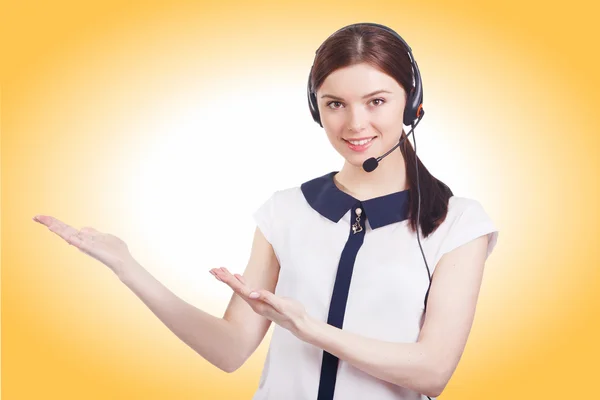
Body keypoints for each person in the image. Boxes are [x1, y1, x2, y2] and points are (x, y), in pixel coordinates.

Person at [33, 23, 499, 400]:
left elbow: (433, 371)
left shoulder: (459, 224)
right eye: (335, 104)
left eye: (376, 101)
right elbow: (230, 349)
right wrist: (127, 267)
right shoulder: (287, 210)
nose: (355, 124)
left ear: (412, 104)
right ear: (317, 110)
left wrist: (309, 329)